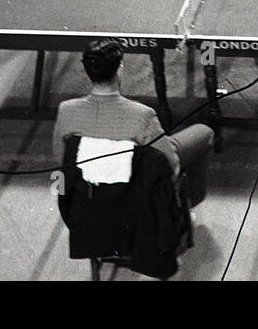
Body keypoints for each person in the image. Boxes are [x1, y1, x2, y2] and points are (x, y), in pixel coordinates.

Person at [53, 39, 214, 206]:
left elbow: (61, 157)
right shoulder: (142, 115)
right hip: (136, 191)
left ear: (85, 69)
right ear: (120, 70)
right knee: (203, 132)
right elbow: (170, 165)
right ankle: (184, 208)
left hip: (90, 192)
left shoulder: (65, 110)